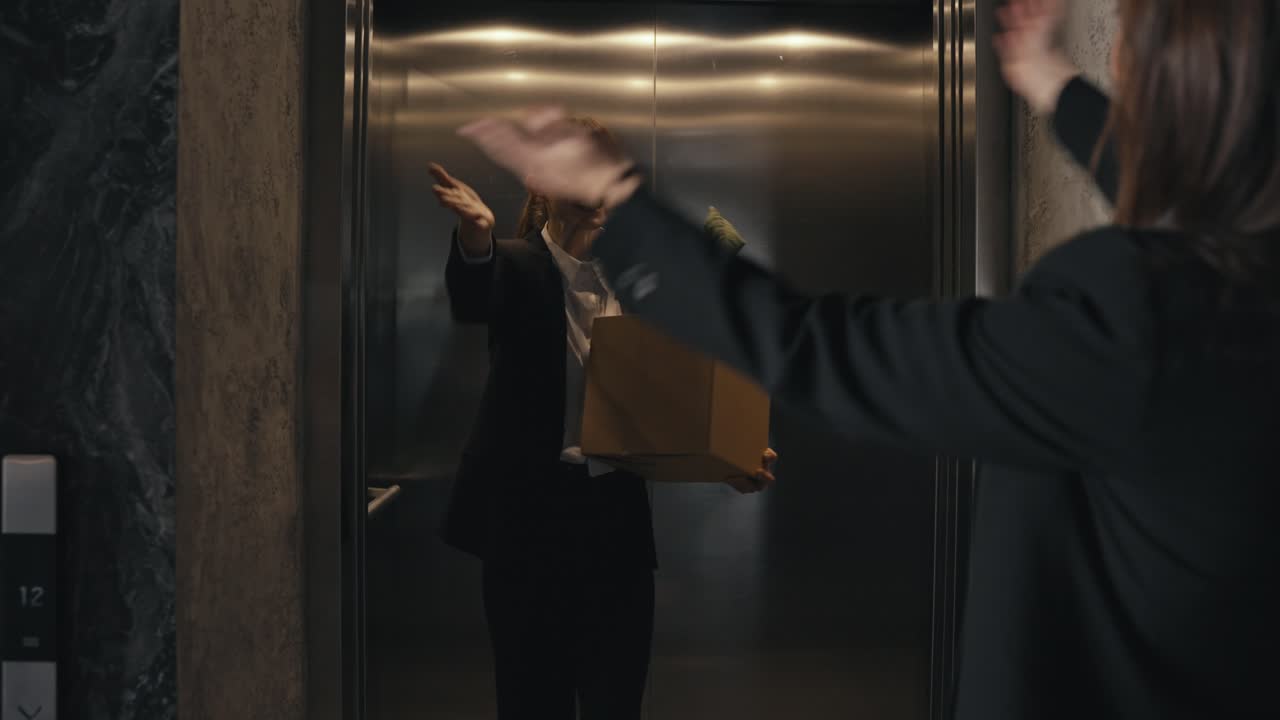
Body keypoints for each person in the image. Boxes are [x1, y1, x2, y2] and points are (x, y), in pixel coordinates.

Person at [456, 0, 1280, 717]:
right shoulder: (1236, 287)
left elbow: (809, 343)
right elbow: (1218, 205)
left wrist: (630, 200)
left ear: (1187, 89)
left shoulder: (1134, 311)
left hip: (612, 532)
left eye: (1131, 43)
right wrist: (1059, 88)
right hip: (531, 527)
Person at [430, 115, 777, 720]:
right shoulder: (513, 265)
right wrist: (476, 237)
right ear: (542, 181)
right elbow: (474, 294)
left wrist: (730, 459)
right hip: (526, 530)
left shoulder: (642, 287)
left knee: (616, 703)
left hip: (614, 527)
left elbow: (675, 403)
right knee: (530, 702)